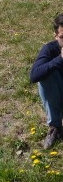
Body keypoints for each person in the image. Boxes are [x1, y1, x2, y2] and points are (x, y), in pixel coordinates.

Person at [30, 13, 63, 150]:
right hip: (58, 94)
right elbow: (34, 75)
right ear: (56, 36)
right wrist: (60, 59)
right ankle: (55, 126)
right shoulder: (50, 49)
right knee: (45, 74)